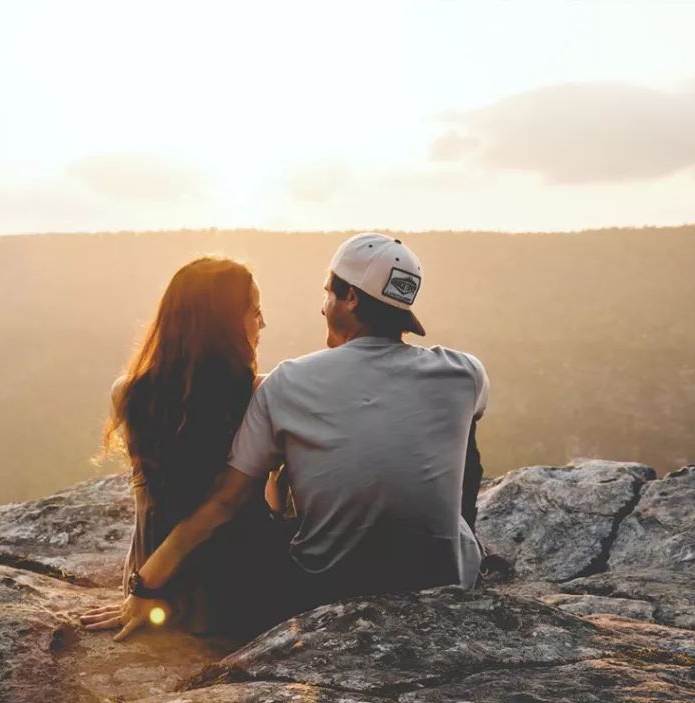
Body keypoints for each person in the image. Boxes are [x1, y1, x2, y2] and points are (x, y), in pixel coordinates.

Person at [108, 233, 489, 640]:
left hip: (324, 585)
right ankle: (445, 542)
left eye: (328, 293)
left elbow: (225, 499)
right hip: (445, 579)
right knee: (462, 431)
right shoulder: (464, 373)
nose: (322, 305)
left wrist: (147, 580)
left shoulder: (289, 383)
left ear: (351, 300)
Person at [78, 255, 284, 640]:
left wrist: (141, 588)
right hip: (241, 591)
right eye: (255, 312)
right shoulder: (261, 394)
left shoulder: (127, 393)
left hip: (159, 590)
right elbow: (232, 505)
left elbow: (147, 508)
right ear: (224, 326)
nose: (263, 323)